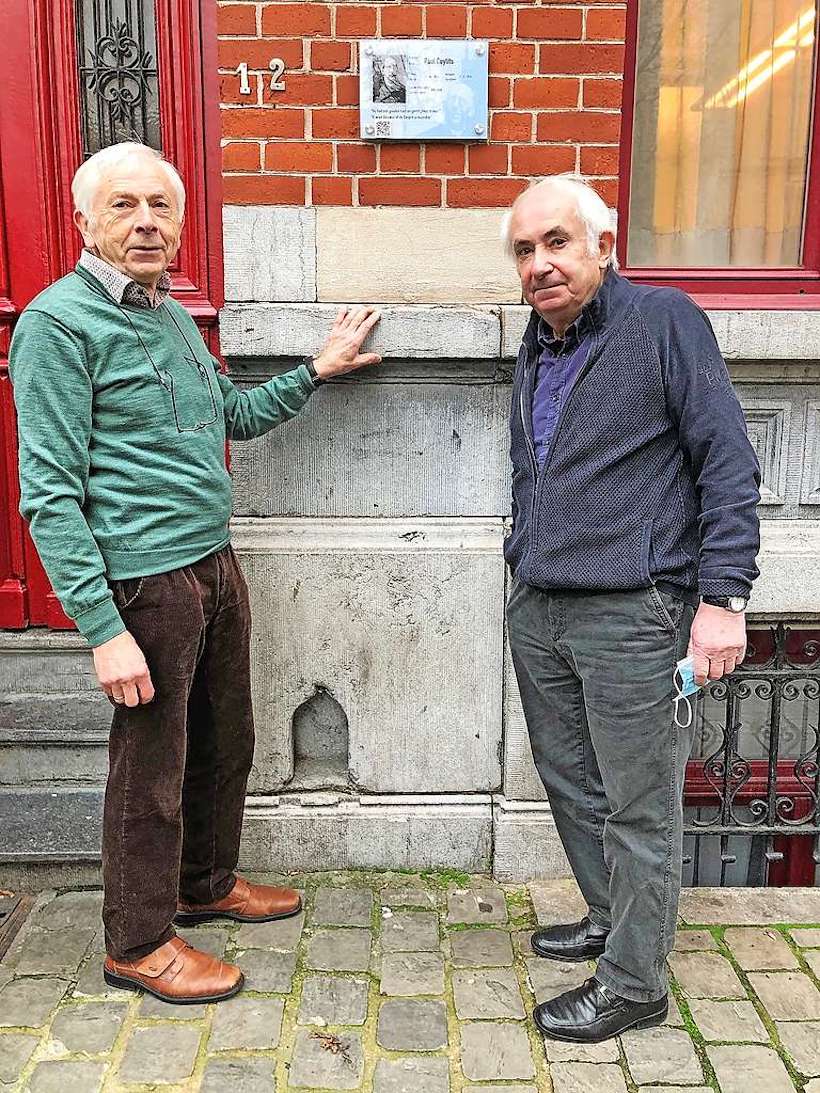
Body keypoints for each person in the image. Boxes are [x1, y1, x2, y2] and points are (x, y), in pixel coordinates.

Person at [9, 141, 381, 1005]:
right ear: (85, 221)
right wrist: (102, 628)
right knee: (151, 770)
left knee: (226, 741)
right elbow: (50, 494)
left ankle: (204, 885)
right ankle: (137, 941)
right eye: (124, 205)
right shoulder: (58, 325)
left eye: (161, 207)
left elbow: (234, 414)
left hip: (212, 564)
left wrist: (314, 373)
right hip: (143, 585)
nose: (146, 222)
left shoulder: (171, 314)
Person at [502, 176, 760, 1042]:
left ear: (603, 246)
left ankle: (636, 984)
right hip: (542, 607)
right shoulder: (538, 344)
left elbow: (725, 458)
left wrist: (722, 599)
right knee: (572, 784)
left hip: (635, 613)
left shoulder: (664, 322)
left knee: (639, 802)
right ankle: (615, 919)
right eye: (525, 251)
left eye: (557, 243)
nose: (540, 265)